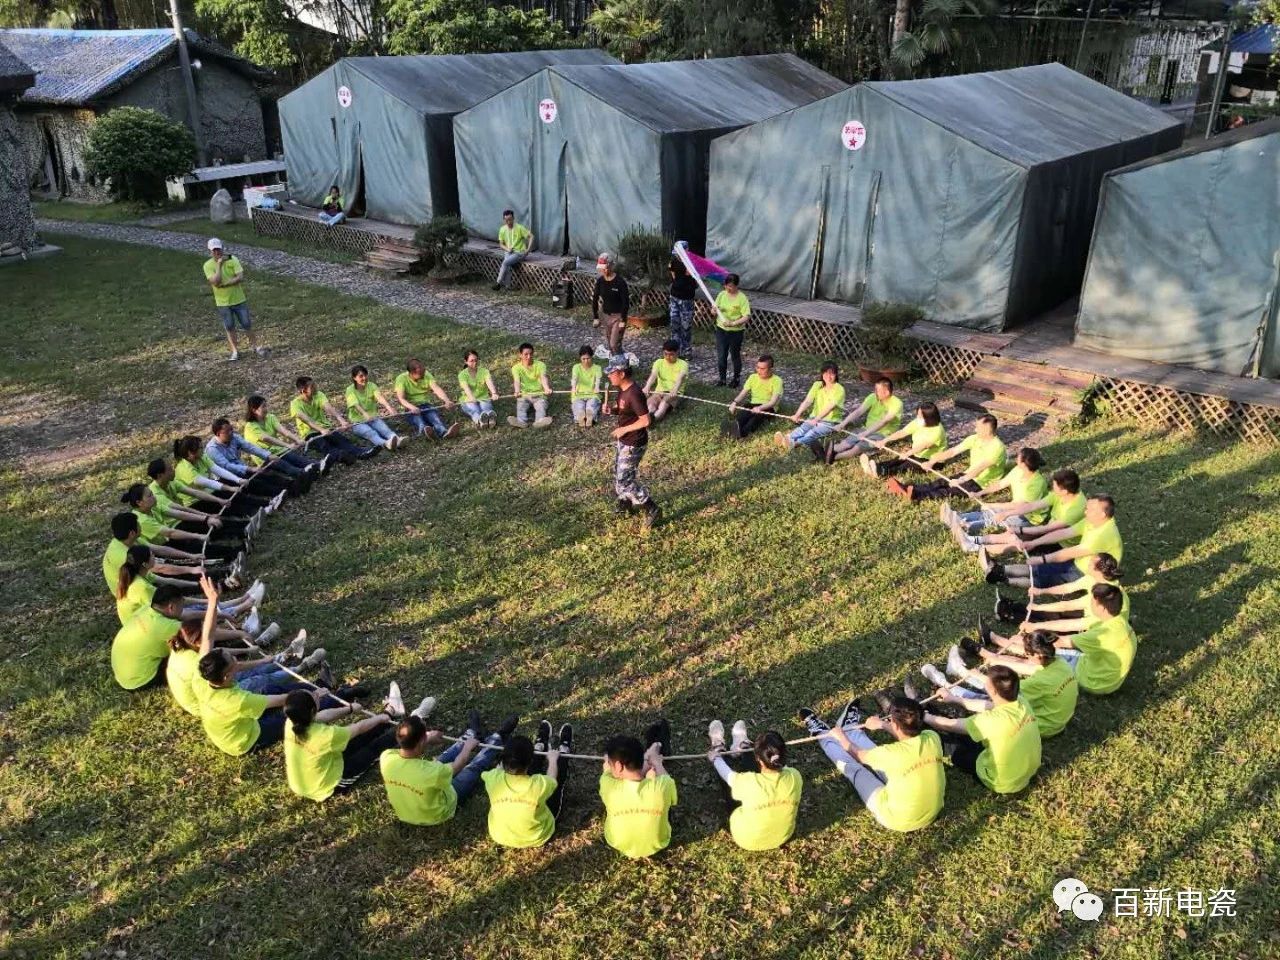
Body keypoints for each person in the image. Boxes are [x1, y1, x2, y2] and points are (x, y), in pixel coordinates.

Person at [165, 577, 316, 716]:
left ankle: (285, 656)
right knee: (258, 680)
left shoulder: (182, 648)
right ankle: (300, 667)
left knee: (251, 670)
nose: (215, 632)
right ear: (198, 642)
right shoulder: (199, 664)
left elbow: (217, 649)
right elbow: (233, 663)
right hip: (207, 704)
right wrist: (212, 602)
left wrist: (248, 650)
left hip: (210, 686)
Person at [798, 697, 945, 832]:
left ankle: (824, 736)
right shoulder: (932, 737)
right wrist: (882, 724)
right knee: (877, 755)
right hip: (931, 813)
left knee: (856, 771)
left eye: (890, 719)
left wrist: (840, 736)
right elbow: (906, 734)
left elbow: (858, 755)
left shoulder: (890, 753)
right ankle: (852, 730)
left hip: (896, 819)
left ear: (895, 724)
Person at [284, 684, 434, 801]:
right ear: (312, 711)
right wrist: (380, 717)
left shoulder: (292, 722)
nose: (316, 695)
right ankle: (414, 722)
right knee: (374, 749)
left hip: (319, 769)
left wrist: (349, 709)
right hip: (329, 784)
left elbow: (322, 716)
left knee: (359, 739)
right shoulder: (325, 736)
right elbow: (359, 728)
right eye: (314, 696)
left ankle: (393, 711)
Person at [924, 630, 1078, 739]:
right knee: (997, 691)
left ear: (1038, 655)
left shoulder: (1040, 682)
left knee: (994, 699)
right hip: (1058, 721)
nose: (1026, 657)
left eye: (1027, 654)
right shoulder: (1060, 663)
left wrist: (977, 675)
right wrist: (994, 660)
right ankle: (957, 671)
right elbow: (1027, 668)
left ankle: (945, 681)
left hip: (1041, 726)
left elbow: (1003, 689)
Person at [380, 710, 518, 826]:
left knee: (442, 759)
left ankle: (472, 733)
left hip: (408, 813)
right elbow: (459, 763)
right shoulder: (431, 772)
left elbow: (413, 750)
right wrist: (468, 747)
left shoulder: (387, 757)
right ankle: (497, 738)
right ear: (420, 741)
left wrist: (428, 739)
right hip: (438, 813)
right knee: (472, 768)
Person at [923, 664, 1041, 794]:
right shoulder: (1022, 702)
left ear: (994, 691)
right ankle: (931, 712)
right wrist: (954, 699)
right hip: (1027, 770)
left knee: (957, 750)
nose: (985, 682)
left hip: (1001, 781)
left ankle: (925, 712)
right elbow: (988, 705)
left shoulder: (989, 721)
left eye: (987, 682)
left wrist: (923, 716)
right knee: (972, 735)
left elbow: (950, 725)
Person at [982, 494, 1123, 589]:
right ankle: (1000, 570)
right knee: (1039, 569)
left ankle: (1004, 580)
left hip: (1089, 573)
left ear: (1102, 514)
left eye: (1090, 509)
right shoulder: (1092, 521)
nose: (1085, 512)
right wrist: (1035, 543)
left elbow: (1070, 552)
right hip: (1078, 562)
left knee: (1045, 579)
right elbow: (1064, 533)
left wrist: (1042, 559)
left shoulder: (1104, 535)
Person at [705, 720, 802, 850]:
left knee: (732, 788)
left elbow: (729, 776)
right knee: (748, 786)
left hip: (747, 839)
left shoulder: (749, 783)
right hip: (783, 836)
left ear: (758, 759)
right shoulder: (795, 776)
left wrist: (715, 759)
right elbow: (781, 766)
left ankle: (720, 750)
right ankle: (744, 747)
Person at [482, 719, 573, 848]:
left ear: (503, 759)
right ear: (530, 761)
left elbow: (499, 767)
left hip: (499, 835)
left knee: (529, 773)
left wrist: (508, 754)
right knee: (557, 785)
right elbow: (552, 778)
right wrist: (553, 760)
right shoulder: (538, 785)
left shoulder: (492, 778)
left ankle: (540, 746)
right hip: (537, 837)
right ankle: (563, 752)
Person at [942, 447, 1048, 551]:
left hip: (1028, 518)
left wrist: (992, 505)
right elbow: (1000, 484)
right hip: (1015, 508)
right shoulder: (1018, 470)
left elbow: (1020, 506)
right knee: (988, 512)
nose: (1016, 459)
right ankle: (958, 518)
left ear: (1024, 464)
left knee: (995, 519)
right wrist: (979, 493)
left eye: (1018, 458)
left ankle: (964, 527)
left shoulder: (1037, 483)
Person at [599, 719, 677, 859]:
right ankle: (657, 745)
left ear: (618, 766)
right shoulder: (664, 785)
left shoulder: (607, 785)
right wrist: (657, 763)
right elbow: (666, 780)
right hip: (658, 844)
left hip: (618, 843)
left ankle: (654, 747)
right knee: (664, 794)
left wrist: (607, 761)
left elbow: (607, 769)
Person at [966, 467, 1086, 556]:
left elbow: (1046, 529)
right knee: (1010, 535)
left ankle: (976, 547)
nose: (1052, 488)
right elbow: (1033, 506)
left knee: (1016, 542)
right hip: (1048, 530)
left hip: (1061, 542)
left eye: (1055, 486)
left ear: (1064, 491)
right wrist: (1007, 513)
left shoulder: (1076, 509)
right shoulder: (1060, 495)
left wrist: (1020, 530)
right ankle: (975, 540)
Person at [888, 414, 1006, 502]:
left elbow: (979, 469)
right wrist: (932, 461)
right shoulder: (974, 438)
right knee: (939, 482)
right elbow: (953, 451)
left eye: (978, 427)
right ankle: (908, 488)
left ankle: (915, 496)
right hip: (967, 474)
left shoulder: (997, 448)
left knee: (947, 491)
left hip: (981, 484)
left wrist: (960, 480)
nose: (975, 429)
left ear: (987, 430)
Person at [605, 355, 661, 527]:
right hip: (624, 440)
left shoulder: (634, 393)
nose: (609, 375)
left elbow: (646, 421)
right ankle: (626, 503)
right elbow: (624, 410)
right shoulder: (622, 389)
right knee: (619, 473)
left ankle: (652, 508)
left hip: (634, 443)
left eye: (612, 372)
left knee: (625, 480)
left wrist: (623, 429)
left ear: (622, 374)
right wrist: (612, 410)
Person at [206, 418, 309, 496]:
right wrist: (250, 468)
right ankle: (286, 492)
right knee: (257, 484)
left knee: (268, 475)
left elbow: (250, 447)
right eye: (227, 432)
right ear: (218, 433)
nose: (231, 433)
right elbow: (227, 466)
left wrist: (268, 455)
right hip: (228, 478)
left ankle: (294, 485)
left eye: (231, 429)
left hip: (242, 469)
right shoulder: (212, 449)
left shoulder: (234, 437)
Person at [111, 584, 185, 690]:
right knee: (188, 652)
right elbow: (200, 633)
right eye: (182, 606)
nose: (183, 609)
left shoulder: (147, 609)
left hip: (123, 674)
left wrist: (204, 612)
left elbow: (183, 616)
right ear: (171, 607)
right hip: (139, 681)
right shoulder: (165, 626)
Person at [203, 238, 264, 362]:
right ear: (210, 251)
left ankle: (255, 346)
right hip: (223, 303)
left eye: (218, 249)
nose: (217, 252)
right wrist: (219, 265)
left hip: (239, 299)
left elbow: (240, 277)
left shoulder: (233, 259)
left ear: (222, 248)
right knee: (229, 326)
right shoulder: (208, 265)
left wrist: (227, 284)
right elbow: (216, 282)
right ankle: (235, 351)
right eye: (214, 250)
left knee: (246, 324)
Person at [291, 376, 376, 463]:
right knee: (323, 445)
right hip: (309, 433)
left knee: (340, 440)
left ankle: (360, 452)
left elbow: (328, 408)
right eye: (312, 386)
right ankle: (342, 457)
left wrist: (341, 420)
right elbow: (307, 420)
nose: (316, 387)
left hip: (326, 428)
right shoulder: (295, 404)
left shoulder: (319, 395)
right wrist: (321, 430)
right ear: (304, 391)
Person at [824, 377, 904, 464]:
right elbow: (858, 411)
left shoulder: (897, 403)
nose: (875, 392)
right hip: (865, 429)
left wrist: (866, 433)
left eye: (877, 390)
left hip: (882, 435)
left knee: (856, 449)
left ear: (886, 392)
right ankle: (825, 452)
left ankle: (832, 458)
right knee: (843, 445)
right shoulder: (873, 397)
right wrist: (842, 424)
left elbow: (884, 421)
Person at [859, 402, 948, 479]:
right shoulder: (918, 422)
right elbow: (902, 432)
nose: (918, 417)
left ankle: (880, 473)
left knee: (906, 466)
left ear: (929, 417)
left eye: (920, 416)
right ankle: (875, 467)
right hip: (917, 454)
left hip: (932, 461)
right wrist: (885, 440)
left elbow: (923, 446)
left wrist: (908, 453)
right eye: (918, 415)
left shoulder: (937, 430)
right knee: (897, 460)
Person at [244, 395, 326, 474]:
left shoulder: (270, 417)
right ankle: (306, 473)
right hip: (265, 457)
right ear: (254, 410)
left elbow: (284, 431)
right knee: (288, 467)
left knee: (297, 459)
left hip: (278, 450)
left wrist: (297, 440)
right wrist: (287, 445)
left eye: (266, 405)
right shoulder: (250, 426)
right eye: (263, 407)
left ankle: (320, 465)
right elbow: (267, 438)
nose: (266, 409)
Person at [775, 361, 844, 452]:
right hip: (814, 417)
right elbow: (808, 401)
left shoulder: (839, 389)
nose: (828, 376)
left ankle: (794, 444)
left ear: (836, 375)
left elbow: (830, 407)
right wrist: (797, 414)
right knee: (802, 428)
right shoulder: (817, 385)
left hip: (830, 422)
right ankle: (787, 438)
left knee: (812, 433)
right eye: (826, 373)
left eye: (832, 374)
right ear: (822, 373)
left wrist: (817, 419)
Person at [394, 359, 460, 440]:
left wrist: (447, 400)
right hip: (410, 408)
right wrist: (412, 407)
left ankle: (444, 432)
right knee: (420, 422)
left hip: (426, 405)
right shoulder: (401, 379)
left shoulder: (426, 374)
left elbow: (436, 388)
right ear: (412, 373)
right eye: (420, 373)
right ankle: (425, 433)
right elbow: (401, 398)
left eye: (423, 371)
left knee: (435, 418)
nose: (423, 374)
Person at [344, 365, 403, 451]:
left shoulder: (372, 385)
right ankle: (386, 444)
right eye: (361, 376)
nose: (364, 378)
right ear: (354, 378)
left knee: (385, 430)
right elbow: (356, 405)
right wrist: (365, 414)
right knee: (371, 433)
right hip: (357, 423)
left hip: (373, 418)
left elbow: (380, 398)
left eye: (365, 375)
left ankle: (398, 440)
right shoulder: (349, 390)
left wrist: (389, 408)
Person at [727, 355, 783, 439]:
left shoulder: (777, 381)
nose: (759, 371)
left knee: (753, 421)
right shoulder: (752, 377)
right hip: (752, 405)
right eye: (758, 367)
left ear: (771, 369)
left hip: (767, 407)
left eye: (763, 369)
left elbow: (773, 402)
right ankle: (731, 430)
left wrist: (760, 408)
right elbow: (743, 393)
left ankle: (742, 434)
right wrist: (734, 402)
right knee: (742, 416)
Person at [713, 274, 750, 387]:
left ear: (736, 286)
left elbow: (746, 316)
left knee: (735, 355)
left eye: (730, 286)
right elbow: (713, 310)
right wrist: (714, 310)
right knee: (721, 355)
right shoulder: (721, 294)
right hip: (721, 329)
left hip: (736, 331)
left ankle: (736, 379)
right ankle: (722, 379)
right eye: (726, 285)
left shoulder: (742, 298)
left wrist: (732, 323)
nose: (728, 288)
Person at [508, 343, 553, 429]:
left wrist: (546, 388)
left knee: (541, 407)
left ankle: (539, 421)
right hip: (524, 394)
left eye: (531, 354)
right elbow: (517, 381)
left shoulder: (540, 365)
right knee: (521, 406)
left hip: (539, 394)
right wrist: (517, 391)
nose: (529, 357)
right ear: (520, 355)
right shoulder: (516, 368)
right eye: (526, 354)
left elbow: (543, 377)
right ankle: (521, 422)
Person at [592, 253, 630, 354]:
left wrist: (623, 319)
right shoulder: (600, 281)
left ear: (610, 266)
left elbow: (625, 302)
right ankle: (616, 360)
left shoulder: (620, 282)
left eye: (605, 268)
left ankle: (620, 359)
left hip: (618, 316)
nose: (603, 271)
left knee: (614, 343)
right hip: (605, 315)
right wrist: (596, 317)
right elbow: (595, 298)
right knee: (610, 344)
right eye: (601, 269)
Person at [643, 340, 689, 422]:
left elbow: (680, 379)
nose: (668, 357)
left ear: (677, 352)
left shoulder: (683, 364)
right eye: (665, 354)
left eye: (671, 354)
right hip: (659, 391)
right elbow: (653, 375)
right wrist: (647, 386)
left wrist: (674, 390)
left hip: (674, 393)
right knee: (651, 403)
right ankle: (647, 417)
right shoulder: (658, 362)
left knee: (664, 403)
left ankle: (653, 420)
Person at [457, 350, 499, 429]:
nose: (475, 363)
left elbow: (489, 382)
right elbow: (466, 388)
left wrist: (493, 393)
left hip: (483, 397)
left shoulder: (484, 371)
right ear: (465, 361)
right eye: (472, 361)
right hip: (468, 399)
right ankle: (480, 421)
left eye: (476, 360)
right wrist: (471, 397)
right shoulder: (462, 375)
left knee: (486, 408)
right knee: (475, 411)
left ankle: (491, 420)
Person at [493, 209, 531, 291]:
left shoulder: (519, 228)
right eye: (506, 220)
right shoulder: (502, 229)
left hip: (519, 252)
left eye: (510, 219)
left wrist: (528, 249)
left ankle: (498, 283)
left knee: (505, 262)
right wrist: (507, 249)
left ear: (513, 218)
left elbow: (531, 236)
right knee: (507, 264)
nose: (508, 222)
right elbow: (501, 244)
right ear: (504, 220)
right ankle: (508, 287)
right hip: (509, 251)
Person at [668, 258, 696, 358]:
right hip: (674, 296)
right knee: (674, 324)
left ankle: (686, 351)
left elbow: (693, 276)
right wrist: (675, 282)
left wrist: (688, 273)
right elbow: (672, 272)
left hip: (687, 298)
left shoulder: (690, 260)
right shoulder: (674, 261)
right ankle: (675, 350)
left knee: (686, 326)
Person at [569, 345, 602, 427]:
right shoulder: (576, 367)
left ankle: (590, 418)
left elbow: (598, 380)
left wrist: (597, 387)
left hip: (592, 394)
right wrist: (573, 388)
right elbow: (574, 379)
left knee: (592, 405)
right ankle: (580, 417)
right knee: (578, 406)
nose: (586, 361)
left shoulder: (597, 368)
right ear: (580, 358)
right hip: (578, 394)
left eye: (588, 358)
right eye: (583, 359)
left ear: (591, 357)